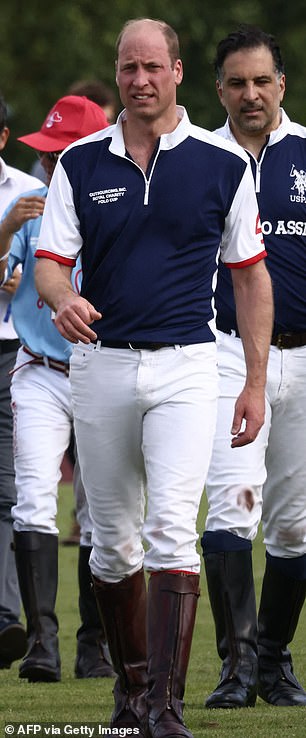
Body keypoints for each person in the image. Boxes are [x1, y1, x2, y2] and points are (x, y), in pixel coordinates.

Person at [34, 18, 272, 737]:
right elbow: (48, 262)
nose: (138, 80)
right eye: (127, 68)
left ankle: (164, 710)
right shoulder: (80, 162)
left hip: (188, 367)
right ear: (119, 73)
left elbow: (251, 279)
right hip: (100, 367)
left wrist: (254, 382)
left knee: (173, 529)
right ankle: (131, 698)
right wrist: (62, 295)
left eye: (151, 67)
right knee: (111, 544)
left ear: (176, 71)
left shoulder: (220, 164)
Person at [201, 25, 306, 710]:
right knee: (233, 512)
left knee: (295, 526)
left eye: (261, 81)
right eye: (236, 83)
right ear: (219, 90)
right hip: (223, 358)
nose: (250, 94)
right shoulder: (195, 157)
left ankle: (272, 662)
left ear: (281, 86)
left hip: (305, 358)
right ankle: (236, 668)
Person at [0, 94, 115, 682]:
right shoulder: (31, 208)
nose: (49, 164)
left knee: (100, 515)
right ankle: (42, 645)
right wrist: (5, 231)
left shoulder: (114, 205)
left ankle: (91, 646)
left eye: (60, 153)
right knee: (34, 499)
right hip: (39, 370)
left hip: (102, 370)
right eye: (45, 154)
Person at [0, 92, 44, 669]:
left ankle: (6, 619)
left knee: (8, 490)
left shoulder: (28, 190)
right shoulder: (18, 206)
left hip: (11, 350)